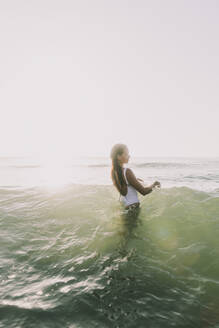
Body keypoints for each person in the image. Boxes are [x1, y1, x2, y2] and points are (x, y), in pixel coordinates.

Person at [110, 143, 161, 210]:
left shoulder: (113, 172)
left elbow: (124, 186)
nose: (129, 156)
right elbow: (144, 191)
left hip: (125, 206)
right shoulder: (127, 171)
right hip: (132, 209)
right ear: (118, 156)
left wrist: (134, 180)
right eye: (126, 154)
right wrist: (154, 184)